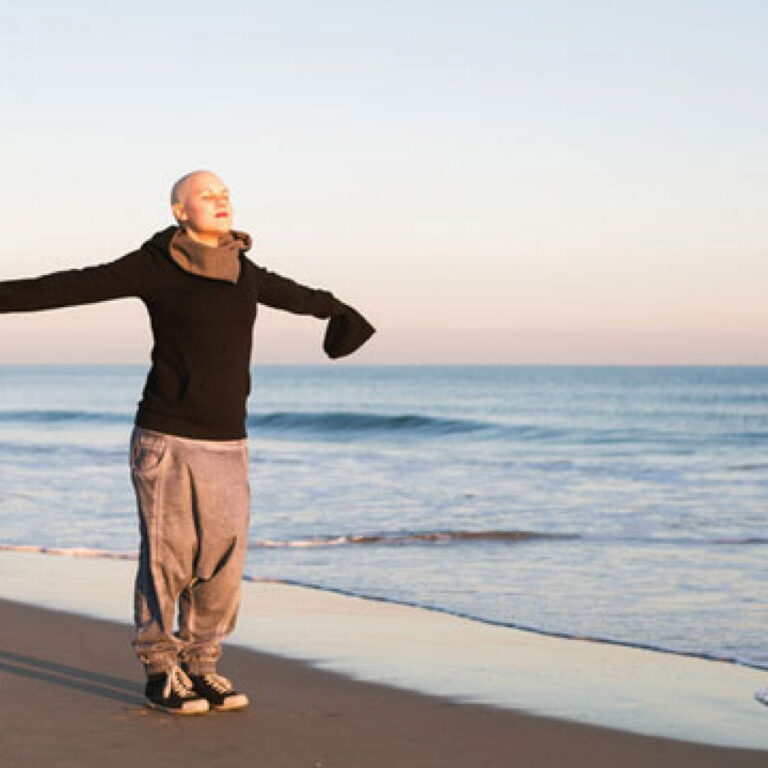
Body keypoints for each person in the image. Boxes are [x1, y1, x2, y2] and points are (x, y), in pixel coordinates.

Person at [0, 170, 375, 714]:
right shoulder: (155, 265)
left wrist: (340, 312)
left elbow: (298, 295)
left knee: (223, 562)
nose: (221, 200)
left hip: (228, 441)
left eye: (226, 192)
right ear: (180, 210)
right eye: (207, 194)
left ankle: (202, 665)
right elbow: (68, 285)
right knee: (168, 560)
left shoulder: (242, 269)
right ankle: (160, 670)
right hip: (168, 437)